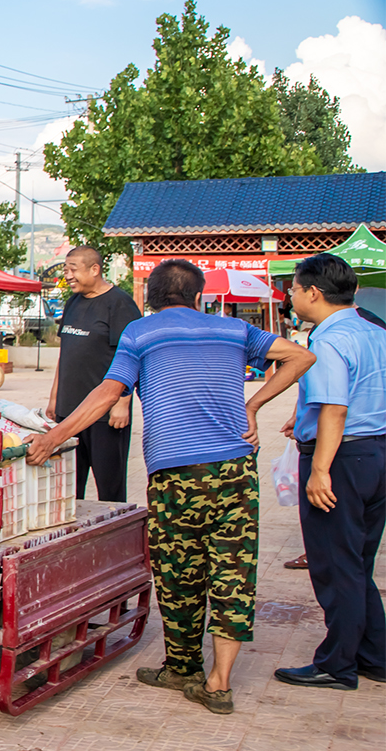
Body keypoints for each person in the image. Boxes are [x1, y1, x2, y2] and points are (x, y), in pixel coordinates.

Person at [27, 259, 314, 715]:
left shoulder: (141, 334)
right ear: (198, 296)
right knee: (232, 574)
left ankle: (182, 667)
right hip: (235, 470)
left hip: (177, 474)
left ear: (150, 300)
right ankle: (217, 682)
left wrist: (53, 438)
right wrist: (253, 405)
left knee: (179, 572)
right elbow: (301, 356)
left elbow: (106, 393)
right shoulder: (233, 330)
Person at [273, 254, 386, 691]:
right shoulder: (373, 329)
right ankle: (374, 654)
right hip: (375, 452)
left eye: (295, 289)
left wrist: (319, 469)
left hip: (340, 459)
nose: (292, 296)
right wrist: (302, 419)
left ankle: (337, 664)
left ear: (313, 293)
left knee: (335, 566)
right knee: (357, 563)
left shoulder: (328, 339)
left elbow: (336, 408)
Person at [46, 247, 141, 502]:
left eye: (73, 270)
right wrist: (55, 398)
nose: (68, 276)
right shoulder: (72, 302)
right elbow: (66, 353)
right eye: (66, 270)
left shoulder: (120, 304)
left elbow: (133, 357)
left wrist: (122, 403)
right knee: (67, 489)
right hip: (69, 412)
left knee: (110, 491)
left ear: (95, 269)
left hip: (104, 415)